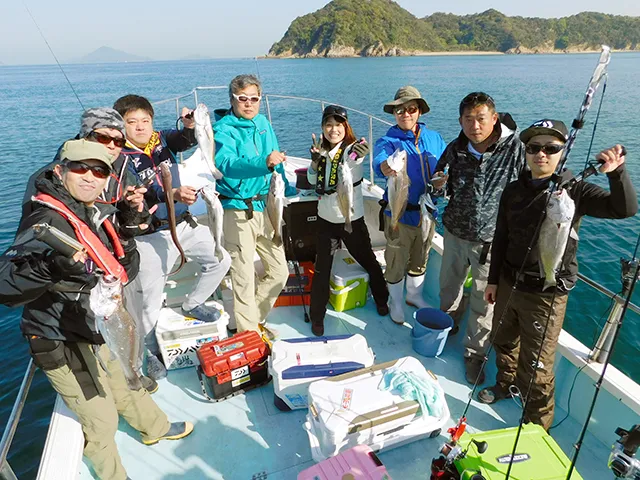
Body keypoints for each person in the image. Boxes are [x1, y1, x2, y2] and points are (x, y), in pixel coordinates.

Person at [0, 140, 194, 480]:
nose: (90, 177)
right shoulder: (45, 219)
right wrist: (50, 267)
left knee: (125, 380)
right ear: (60, 171)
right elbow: (5, 285)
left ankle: (155, 427)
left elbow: (124, 271)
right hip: (59, 338)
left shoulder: (96, 212)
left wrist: (129, 232)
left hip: (98, 323)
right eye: (80, 168)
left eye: (100, 170)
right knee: (101, 419)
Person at [477, 120, 637, 430]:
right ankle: (506, 383)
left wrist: (617, 173)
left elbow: (624, 209)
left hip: (547, 293)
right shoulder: (513, 189)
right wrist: (494, 280)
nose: (541, 154)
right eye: (534, 148)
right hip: (510, 284)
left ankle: (537, 424)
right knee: (504, 340)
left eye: (551, 148)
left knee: (538, 364)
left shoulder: (575, 189)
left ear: (562, 153)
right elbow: (501, 237)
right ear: (526, 152)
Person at [113, 94, 231, 380]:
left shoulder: (161, 140)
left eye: (146, 121)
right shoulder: (117, 157)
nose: (141, 128)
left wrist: (191, 127)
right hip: (149, 236)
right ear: (121, 125)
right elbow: (143, 192)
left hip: (184, 224)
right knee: (149, 303)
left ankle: (193, 304)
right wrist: (173, 194)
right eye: (132, 122)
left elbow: (183, 139)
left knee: (220, 260)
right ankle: (148, 353)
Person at [432, 92, 525, 384]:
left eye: (481, 118)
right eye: (468, 119)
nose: (475, 126)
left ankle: (475, 354)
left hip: (492, 241)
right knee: (449, 287)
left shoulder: (514, 149)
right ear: (460, 121)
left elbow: (534, 179)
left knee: (484, 302)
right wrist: (438, 186)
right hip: (455, 233)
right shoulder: (455, 149)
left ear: (494, 118)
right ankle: (447, 326)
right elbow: (440, 183)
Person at [213, 74, 296, 337]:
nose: (249, 104)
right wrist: (264, 162)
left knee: (280, 272)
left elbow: (277, 162)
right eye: (242, 99)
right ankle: (249, 335)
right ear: (232, 100)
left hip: (267, 206)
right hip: (238, 209)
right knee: (244, 276)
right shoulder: (223, 129)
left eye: (254, 99)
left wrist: (288, 188)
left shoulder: (263, 123)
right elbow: (225, 164)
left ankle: (249, 322)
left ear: (260, 100)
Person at [307, 105, 389, 336]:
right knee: (322, 270)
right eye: (328, 125)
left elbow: (356, 156)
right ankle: (317, 316)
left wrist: (360, 151)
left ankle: (382, 299)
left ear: (346, 127)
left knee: (369, 261)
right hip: (325, 221)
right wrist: (314, 162)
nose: (333, 130)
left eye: (338, 125)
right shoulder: (320, 152)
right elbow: (313, 179)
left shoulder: (351, 150)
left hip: (351, 220)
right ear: (323, 128)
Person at [373, 86, 447, 325]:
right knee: (395, 259)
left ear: (419, 112)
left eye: (411, 109)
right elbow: (379, 162)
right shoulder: (388, 141)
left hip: (427, 212)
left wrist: (443, 178)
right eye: (399, 110)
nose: (405, 114)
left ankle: (414, 295)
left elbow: (445, 166)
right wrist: (385, 166)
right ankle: (396, 301)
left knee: (421, 256)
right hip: (399, 214)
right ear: (394, 113)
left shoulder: (434, 139)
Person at [21, 107, 148, 230]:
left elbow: (140, 223)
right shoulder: (47, 177)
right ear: (85, 136)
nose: (111, 145)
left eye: (119, 141)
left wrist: (130, 206)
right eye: (103, 138)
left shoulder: (122, 167)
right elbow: (34, 230)